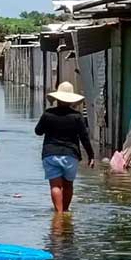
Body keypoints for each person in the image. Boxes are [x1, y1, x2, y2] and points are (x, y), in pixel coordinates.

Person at [34, 81, 94, 213]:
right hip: (70, 155)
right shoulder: (77, 116)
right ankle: (65, 211)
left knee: (55, 186)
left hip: (50, 154)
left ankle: (58, 214)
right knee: (68, 185)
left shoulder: (48, 114)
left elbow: (38, 131)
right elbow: (84, 137)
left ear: (57, 98)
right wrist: (91, 156)